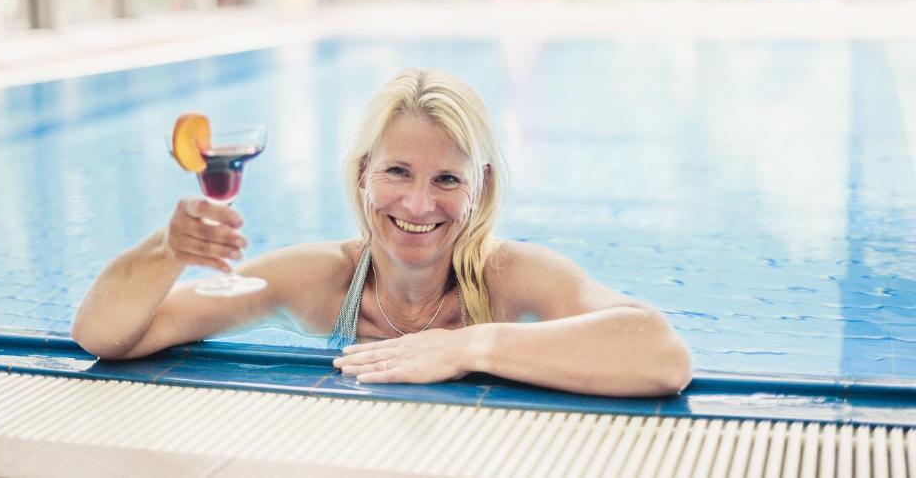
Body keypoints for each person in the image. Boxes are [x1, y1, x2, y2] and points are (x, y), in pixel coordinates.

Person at [72, 68, 692, 397]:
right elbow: (103, 336)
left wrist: (469, 348)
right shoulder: (317, 282)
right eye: (397, 171)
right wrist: (164, 251)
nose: (419, 204)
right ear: (363, 174)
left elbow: (660, 355)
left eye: (447, 179)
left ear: (480, 188)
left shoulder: (513, 280)